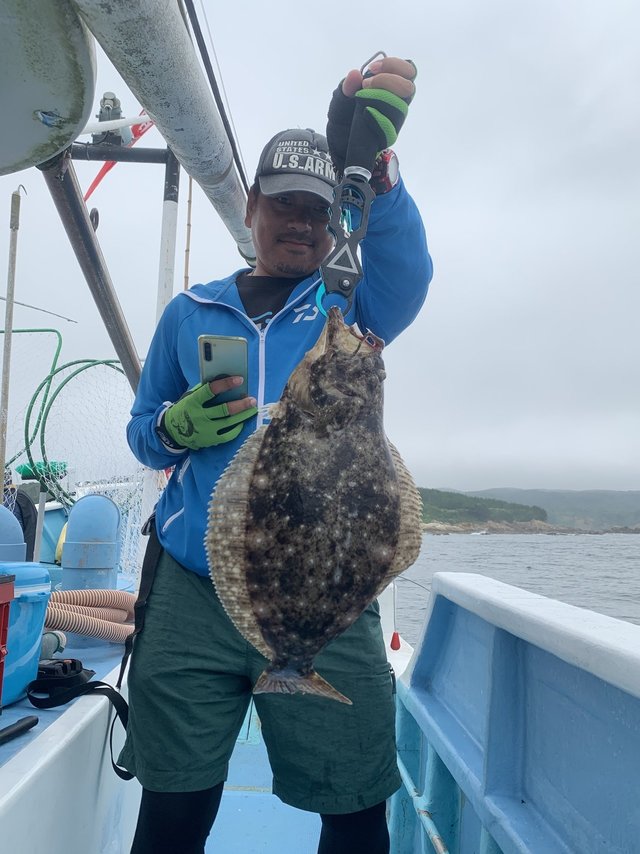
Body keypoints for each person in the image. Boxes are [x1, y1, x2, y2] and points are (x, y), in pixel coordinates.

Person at [120, 56, 433, 854]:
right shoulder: (189, 314)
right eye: (284, 206)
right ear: (252, 208)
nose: (301, 224)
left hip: (324, 593)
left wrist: (376, 176)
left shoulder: (348, 301)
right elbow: (142, 427)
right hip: (191, 587)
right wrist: (173, 430)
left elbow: (408, 269)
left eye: (317, 213)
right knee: (174, 804)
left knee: (356, 805)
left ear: (334, 223)